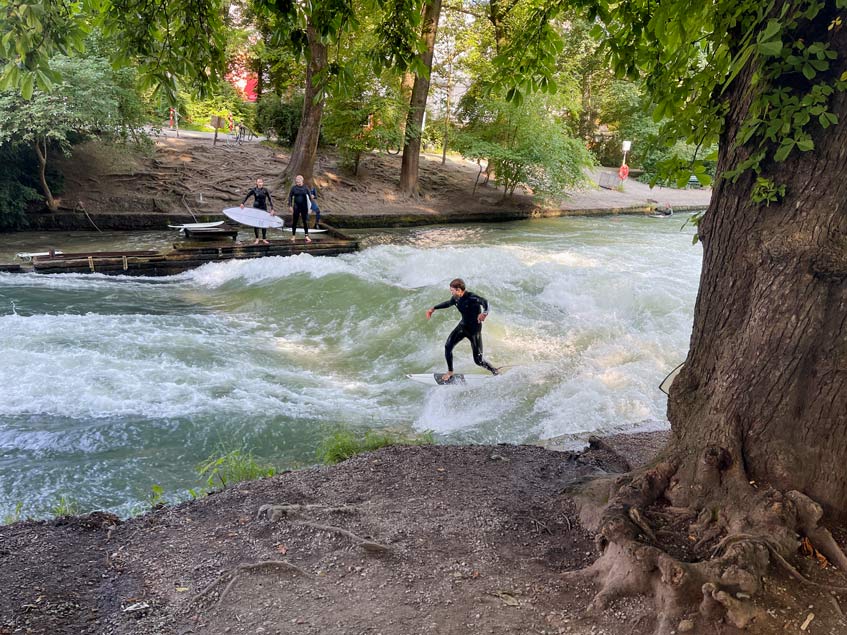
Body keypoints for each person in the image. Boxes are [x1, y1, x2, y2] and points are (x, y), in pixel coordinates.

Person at [426, 278, 499, 382]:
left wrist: (485, 312)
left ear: (459, 290)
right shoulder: (456, 298)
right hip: (462, 327)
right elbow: (448, 303)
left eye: (452, 290)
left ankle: (494, 370)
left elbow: (484, 301)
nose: (451, 292)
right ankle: (450, 371)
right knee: (448, 347)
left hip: (474, 331)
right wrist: (433, 308)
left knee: (478, 361)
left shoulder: (471, 297)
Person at [240, 178, 275, 245]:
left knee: (264, 223)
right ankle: (257, 239)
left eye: (261, 182)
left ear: (263, 183)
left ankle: (264, 238)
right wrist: (242, 203)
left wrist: (272, 209)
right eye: (259, 182)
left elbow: (270, 199)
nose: (260, 183)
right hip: (256, 208)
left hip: (263, 208)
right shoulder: (254, 190)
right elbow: (247, 196)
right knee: (256, 223)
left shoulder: (265, 190)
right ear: (257, 183)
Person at [287, 174, 312, 243]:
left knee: (305, 221)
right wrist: (290, 206)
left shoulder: (306, 188)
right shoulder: (293, 188)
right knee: (295, 221)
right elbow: (290, 197)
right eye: (296, 181)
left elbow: (310, 198)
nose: (297, 182)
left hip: (304, 207)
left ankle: (306, 236)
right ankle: (293, 235)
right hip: (296, 207)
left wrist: (310, 208)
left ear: (302, 180)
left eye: (299, 181)